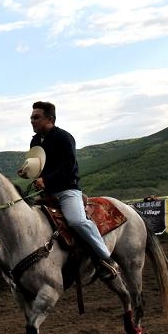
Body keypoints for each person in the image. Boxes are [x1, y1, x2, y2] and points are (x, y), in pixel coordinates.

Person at [19, 101, 119, 280]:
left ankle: (106, 258)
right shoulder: (35, 141)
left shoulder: (64, 138)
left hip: (67, 191)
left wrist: (46, 180)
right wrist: (28, 172)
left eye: (36, 117)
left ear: (50, 119)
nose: (32, 121)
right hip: (46, 193)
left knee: (76, 221)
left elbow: (69, 167)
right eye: (31, 117)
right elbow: (39, 166)